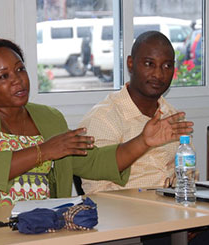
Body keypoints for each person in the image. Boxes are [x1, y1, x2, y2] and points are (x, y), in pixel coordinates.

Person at [0, 34, 193, 211]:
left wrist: (143, 141)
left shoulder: (48, 117)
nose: (18, 81)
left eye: (20, 70)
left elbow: (93, 162)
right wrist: (44, 151)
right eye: (4, 76)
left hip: (42, 227)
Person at [79, 31, 191, 194]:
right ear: (130, 64)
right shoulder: (103, 118)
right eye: (149, 64)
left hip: (173, 211)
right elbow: (97, 193)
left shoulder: (171, 116)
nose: (158, 74)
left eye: (167, 66)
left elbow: (188, 175)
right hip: (128, 216)